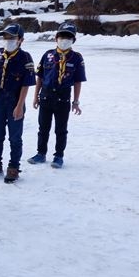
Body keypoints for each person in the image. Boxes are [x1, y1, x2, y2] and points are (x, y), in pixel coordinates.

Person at [27, 22, 86, 169]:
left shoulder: (76, 58)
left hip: (63, 97)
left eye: (68, 37)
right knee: (43, 128)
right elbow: (39, 77)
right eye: (62, 36)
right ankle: (41, 153)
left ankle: (59, 155)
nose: (64, 40)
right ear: (56, 38)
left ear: (73, 40)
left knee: (61, 129)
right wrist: (36, 96)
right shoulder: (47, 55)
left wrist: (76, 101)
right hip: (46, 96)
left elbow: (78, 81)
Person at [0, 23, 35, 183]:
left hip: (15, 101)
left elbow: (26, 84)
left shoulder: (25, 58)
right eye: (5, 37)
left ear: (20, 40)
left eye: (11, 38)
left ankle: (13, 167)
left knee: (15, 137)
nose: (7, 40)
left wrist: (19, 106)